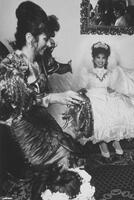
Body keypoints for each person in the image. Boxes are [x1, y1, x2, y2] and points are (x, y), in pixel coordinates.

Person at [0, 1, 84, 172]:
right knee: (62, 159)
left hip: (41, 120)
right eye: (45, 38)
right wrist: (54, 97)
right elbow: (18, 104)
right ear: (30, 38)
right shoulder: (11, 66)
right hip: (23, 129)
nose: (48, 43)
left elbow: (55, 67)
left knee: (71, 150)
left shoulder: (40, 59)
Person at [68, 41, 134, 162]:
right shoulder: (88, 72)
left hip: (106, 94)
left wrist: (113, 91)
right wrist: (83, 93)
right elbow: (82, 86)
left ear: (106, 59)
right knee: (98, 111)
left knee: (116, 106)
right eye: (98, 58)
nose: (101, 60)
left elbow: (111, 85)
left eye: (103, 58)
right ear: (93, 58)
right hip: (93, 95)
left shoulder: (110, 72)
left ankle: (114, 139)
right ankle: (102, 141)